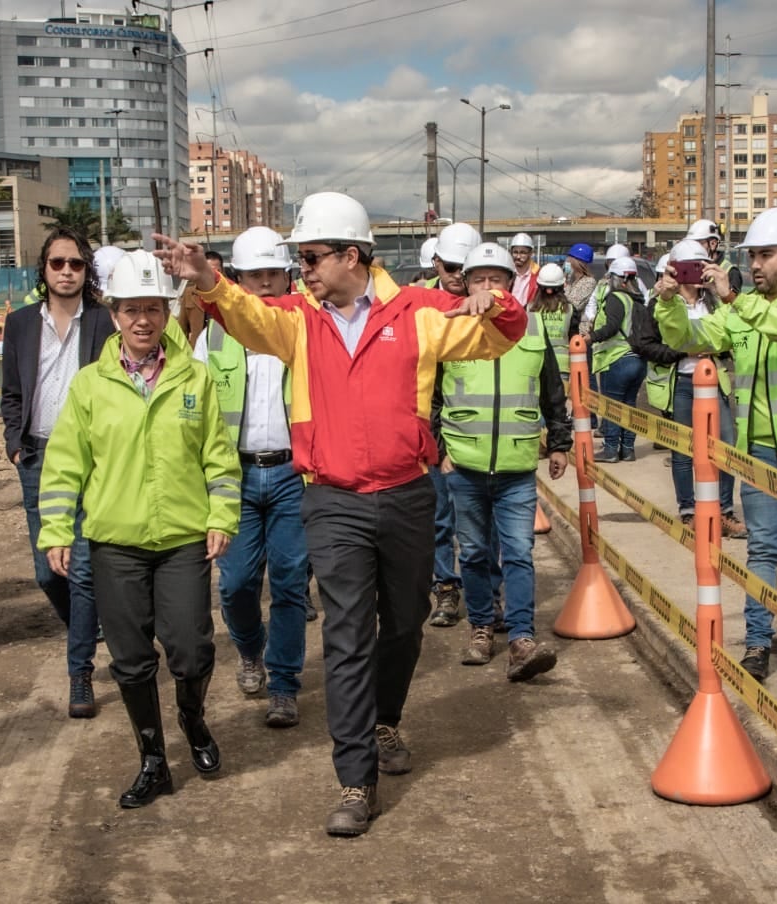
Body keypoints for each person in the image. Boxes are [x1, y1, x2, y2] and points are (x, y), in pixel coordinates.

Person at [154, 190, 526, 837]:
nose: (304, 271)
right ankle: (356, 779)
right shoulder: (297, 319)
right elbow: (244, 315)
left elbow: (500, 337)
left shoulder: (418, 312)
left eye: (312, 258)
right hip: (331, 500)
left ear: (351, 256)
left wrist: (492, 300)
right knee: (348, 632)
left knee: (404, 624)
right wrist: (208, 278)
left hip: (408, 495)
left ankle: (386, 721)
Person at [38, 250, 240, 808]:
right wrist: (56, 529)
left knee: (192, 651)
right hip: (115, 544)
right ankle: (152, 757)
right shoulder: (89, 385)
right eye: (132, 310)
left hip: (181, 540)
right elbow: (63, 466)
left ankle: (193, 720)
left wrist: (222, 516)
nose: (143, 320)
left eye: (153, 308)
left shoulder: (194, 379)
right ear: (115, 313)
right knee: (129, 659)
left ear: (168, 311)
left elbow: (219, 459)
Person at [655, 207, 777, 682]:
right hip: (762, 447)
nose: (756, 264)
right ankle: (759, 642)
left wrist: (733, 298)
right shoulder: (741, 311)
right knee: (761, 549)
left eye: (766, 254)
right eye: (752, 256)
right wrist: (668, 303)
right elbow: (690, 338)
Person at [193, 227, 310, 729]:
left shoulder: (308, 328)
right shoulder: (212, 335)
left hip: (291, 475)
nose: (264, 284)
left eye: (272, 274)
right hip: (232, 476)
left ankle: (283, 684)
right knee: (236, 584)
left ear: (288, 277)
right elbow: (194, 409)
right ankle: (249, 650)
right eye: (253, 276)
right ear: (236, 280)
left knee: (289, 584)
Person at [439, 243, 571, 679]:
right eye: (479, 279)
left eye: (496, 279)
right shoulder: (451, 330)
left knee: (518, 553)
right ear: (466, 283)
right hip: (465, 466)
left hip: (516, 469)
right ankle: (481, 627)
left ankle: (520, 637)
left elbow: (552, 390)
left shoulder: (531, 327)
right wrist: (440, 452)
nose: (487, 287)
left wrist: (559, 443)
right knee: (474, 554)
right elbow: (429, 397)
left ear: (510, 283)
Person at [1, 228, 115, 718]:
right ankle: (91, 630)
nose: (66, 271)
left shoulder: (105, 323)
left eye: (75, 263)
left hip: (92, 458)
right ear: (43, 269)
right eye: (56, 263)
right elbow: (9, 391)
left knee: (84, 569)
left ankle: (80, 672)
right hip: (39, 456)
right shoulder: (22, 323)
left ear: (86, 271)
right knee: (49, 573)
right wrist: (13, 442)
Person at [633, 240, 746, 537]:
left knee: (724, 446)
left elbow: (727, 336)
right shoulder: (660, 302)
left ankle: (723, 511)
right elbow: (647, 344)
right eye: (686, 267)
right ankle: (688, 511)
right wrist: (684, 353)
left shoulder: (715, 302)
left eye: (700, 265)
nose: (693, 274)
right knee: (683, 451)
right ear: (672, 269)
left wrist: (725, 293)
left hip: (714, 383)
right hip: (681, 383)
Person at [426, 221, 482, 628]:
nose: (457, 275)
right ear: (436, 263)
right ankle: (446, 587)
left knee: (479, 523)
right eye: (450, 266)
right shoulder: (418, 306)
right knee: (440, 517)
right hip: (432, 432)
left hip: (480, 432)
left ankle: (485, 591)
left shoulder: (492, 307)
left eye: (465, 267)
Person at [590, 256, 648, 463]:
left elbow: (612, 326)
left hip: (618, 359)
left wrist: (591, 337)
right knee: (629, 405)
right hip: (638, 361)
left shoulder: (616, 298)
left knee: (613, 407)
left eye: (610, 277)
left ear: (618, 278)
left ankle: (611, 450)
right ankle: (628, 449)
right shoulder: (639, 299)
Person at [532, 262, 572, 375]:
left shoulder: (530, 309)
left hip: (537, 363)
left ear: (539, 285)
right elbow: (575, 339)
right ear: (562, 286)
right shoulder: (570, 309)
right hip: (561, 364)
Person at [685, 218, 743, 295]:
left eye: (698, 244)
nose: (693, 249)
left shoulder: (731, 273)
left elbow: (735, 304)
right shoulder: (691, 269)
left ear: (713, 244)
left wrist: (719, 293)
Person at [509, 232, 540, 304]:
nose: (518, 256)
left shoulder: (539, 275)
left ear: (531, 253)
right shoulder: (506, 274)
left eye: (523, 253)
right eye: (515, 252)